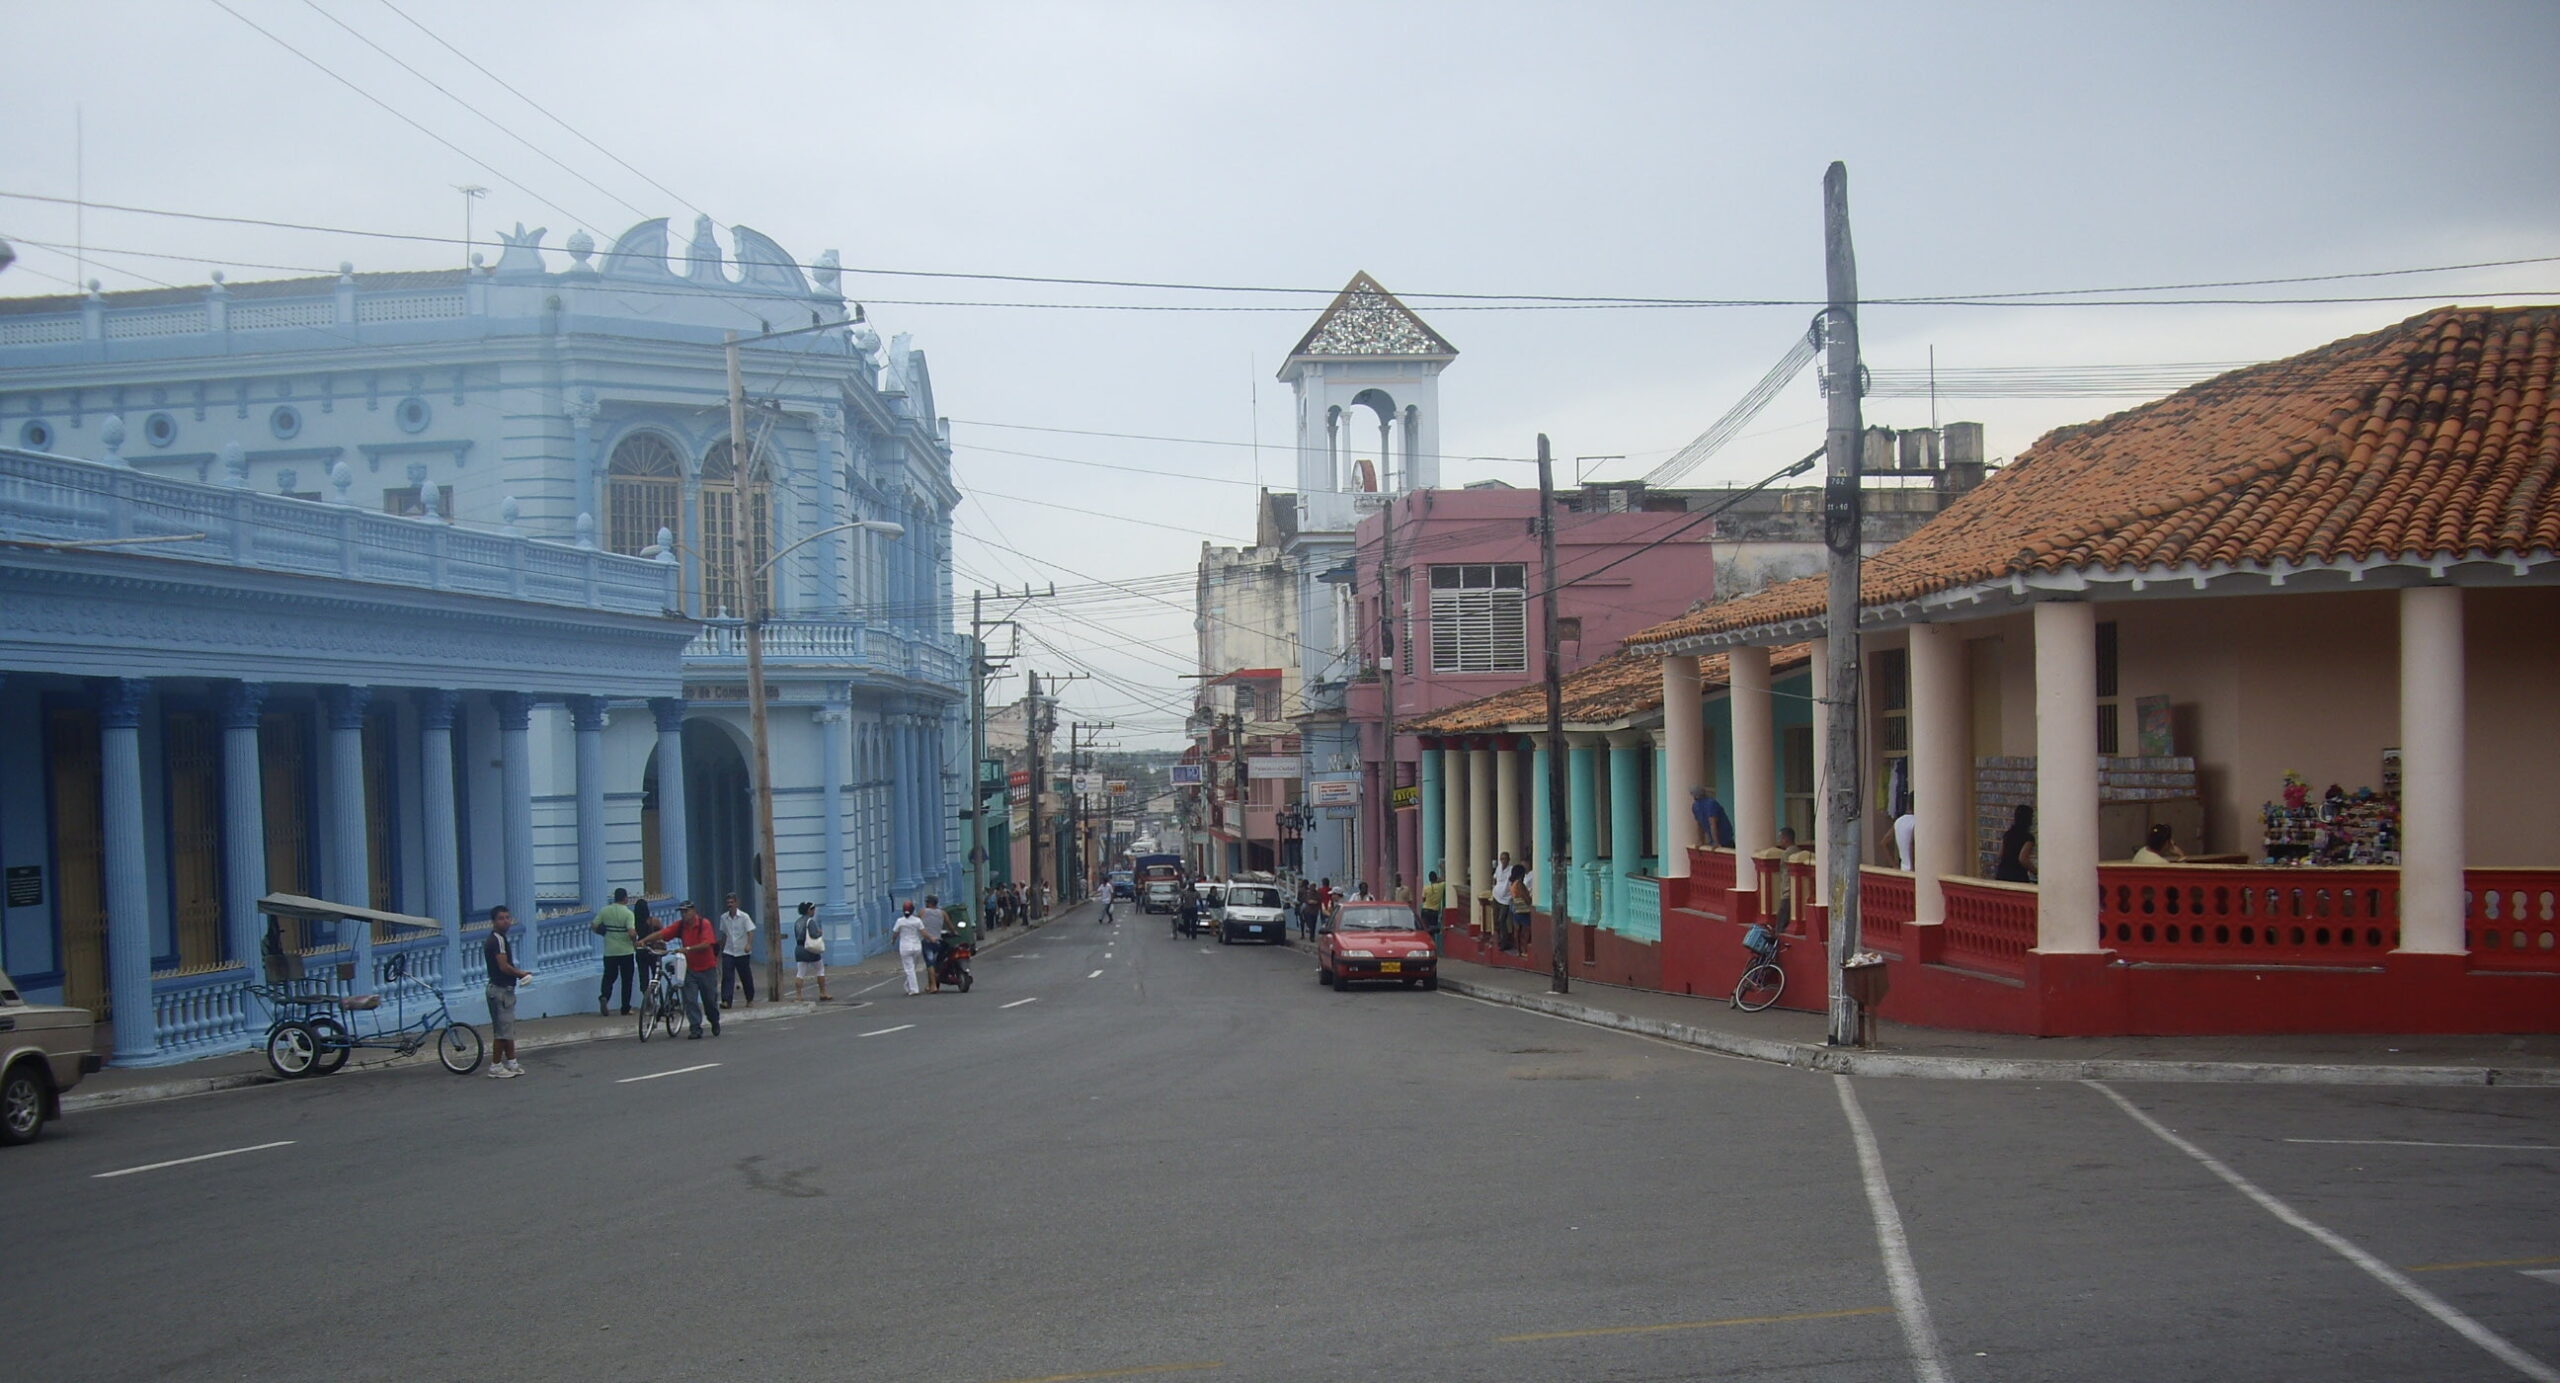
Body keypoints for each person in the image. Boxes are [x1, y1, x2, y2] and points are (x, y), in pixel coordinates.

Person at [643, 900, 721, 1038]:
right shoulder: (681, 926)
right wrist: (644, 940)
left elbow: (706, 944)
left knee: (710, 1001)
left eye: (686, 911)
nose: (683, 915)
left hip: (707, 969)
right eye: (682, 912)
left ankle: (714, 1020)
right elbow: (663, 933)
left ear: (693, 911)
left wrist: (688, 949)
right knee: (690, 999)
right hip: (690, 968)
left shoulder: (704, 924)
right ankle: (695, 1028)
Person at [483, 905, 531, 1078]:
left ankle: (512, 1062)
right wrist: (521, 973)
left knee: (507, 1028)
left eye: (507, 917)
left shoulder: (498, 938)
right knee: (502, 1032)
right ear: (494, 921)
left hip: (504, 991)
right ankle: (495, 1066)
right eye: (501, 918)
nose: (506, 921)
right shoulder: (498, 940)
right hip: (500, 991)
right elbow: (503, 966)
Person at [593, 886, 638, 1016]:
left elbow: (594, 925)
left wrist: (604, 933)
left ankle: (605, 996)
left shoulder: (605, 911)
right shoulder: (628, 913)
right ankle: (625, 1008)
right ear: (625, 898)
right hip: (626, 951)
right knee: (626, 980)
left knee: (609, 976)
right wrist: (634, 941)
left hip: (610, 950)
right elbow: (631, 932)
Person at [717, 892, 757, 1009]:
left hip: (742, 951)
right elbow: (724, 934)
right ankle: (726, 1000)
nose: (730, 905)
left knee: (745, 976)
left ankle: (749, 998)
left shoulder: (744, 917)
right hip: (729, 951)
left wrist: (749, 944)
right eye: (728, 903)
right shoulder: (724, 918)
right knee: (727, 976)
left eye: (732, 902)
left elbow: (750, 932)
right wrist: (721, 948)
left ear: (736, 903)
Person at [790, 901, 831, 1001]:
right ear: (809, 910)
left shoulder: (797, 922)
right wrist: (819, 933)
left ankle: (798, 995)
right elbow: (813, 935)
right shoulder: (810, 921)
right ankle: (823, 993)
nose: (814, 912)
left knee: (800, 973)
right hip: (810, 949)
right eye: (813, 910)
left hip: (799, 948)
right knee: (820, 970)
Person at [893, 902, 929, 996]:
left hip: (905, 947)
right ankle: (908, 986)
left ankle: (914, 989)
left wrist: (893, 941)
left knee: (909, 969)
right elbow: (923, 932)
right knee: (912, 968)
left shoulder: (900, 921)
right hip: (917, 947)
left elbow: (895, 933)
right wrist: (930, 939)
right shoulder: (917, 921)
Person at [1996, 804, 2038, 883]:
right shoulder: (2028, 838)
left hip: (2002, 875)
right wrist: (2037, 872)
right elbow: (2023, 859)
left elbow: (2000, 854)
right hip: (2017, 877)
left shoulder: (2008, 834)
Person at [918, 895, 949, 994]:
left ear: (930, 903)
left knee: (930, 964)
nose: (926, 904)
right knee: (935, 963)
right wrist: (954, 932)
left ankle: (934, 986)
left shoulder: (923, 912)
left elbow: (915, 922)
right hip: (938, 941)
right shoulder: (942, 913)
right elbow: (949, 925)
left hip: (928, 941)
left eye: (927, 902)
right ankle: (930, 984)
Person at [1490, 859, 1517, 953]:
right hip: (1496, 895)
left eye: (1505, 859)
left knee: (1502, 919)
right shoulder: (1498, 868)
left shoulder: (1511, 869)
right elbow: (1494, 878)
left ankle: (1505, 941)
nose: (1503, 861)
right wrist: (1493, 887)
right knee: (1496, 918)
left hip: (1506, 898)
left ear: (1509, 860)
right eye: (1501, 859)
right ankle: (1497, 938)